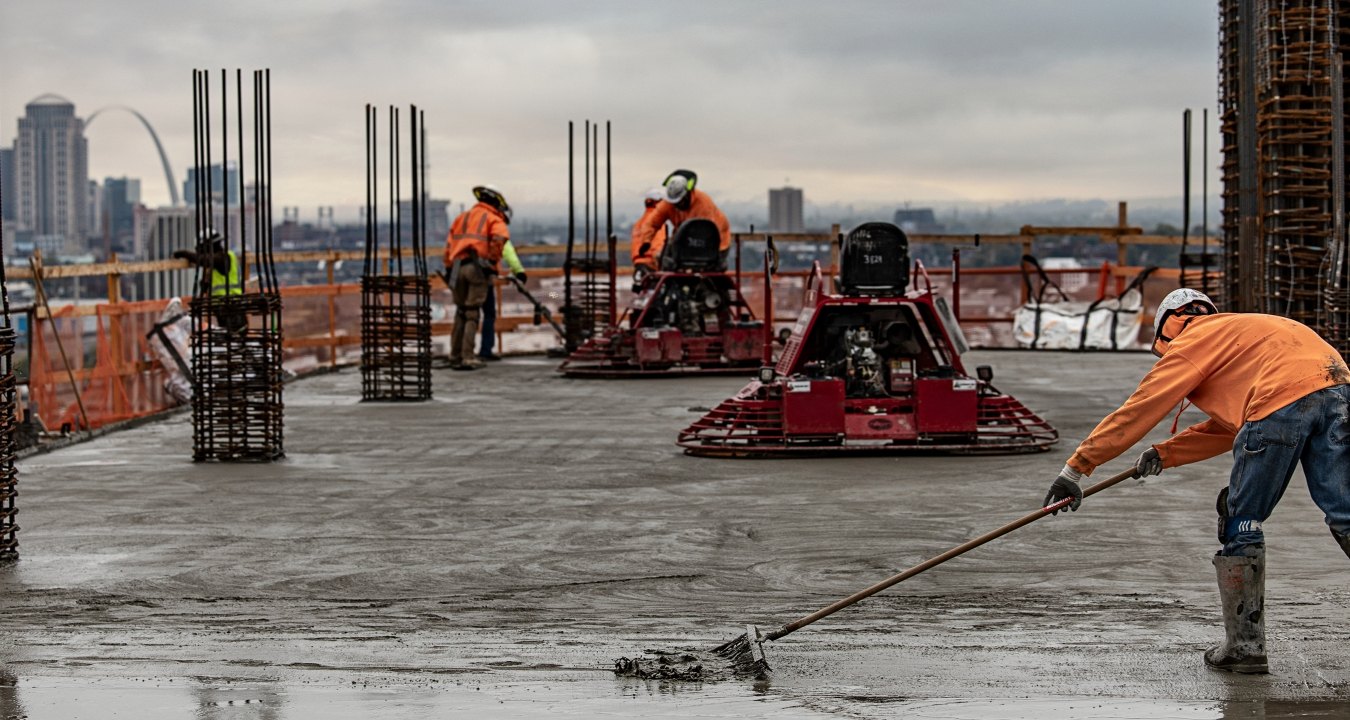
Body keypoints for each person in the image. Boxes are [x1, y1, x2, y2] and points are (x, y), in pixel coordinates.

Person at [1043, 288, 1350, 675]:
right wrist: (1167, 452)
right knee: (1345, 513)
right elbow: (1235, 424)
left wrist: (1076, 468)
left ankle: (1245, 648)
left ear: (1166, 329)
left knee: (1242, 520)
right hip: (1338, 391)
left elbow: (1141, 408)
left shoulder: (1192, 339)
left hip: (1279, 403)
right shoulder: (1240, 331)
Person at [444, 185, 525, 370]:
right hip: (477, 268)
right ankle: (468, 357)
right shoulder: (493, 218)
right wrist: (492, 263)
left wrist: (449, 268)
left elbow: (449, 246)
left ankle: (455, 355)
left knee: (461, 312)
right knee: (472, 313)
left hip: (456, 268)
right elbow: (500, 241)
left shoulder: (462, 218)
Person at [631, 170, 731, 269]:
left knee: (704, 268)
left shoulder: (703, 205)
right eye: (674, 202)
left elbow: (705, 234)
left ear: (687, 195)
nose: (676, 205)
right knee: (667, 260)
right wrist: (646, 241)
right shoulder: (669, 203)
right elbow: (652, 223)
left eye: (679, 202)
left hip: (714, 241)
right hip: (684, 238)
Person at [173, 231, 247, 333]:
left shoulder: (223, 258)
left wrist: (184, 253)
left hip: (232, 306)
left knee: (235, 335)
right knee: (230, 335)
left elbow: (204, 260)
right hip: (224, 306)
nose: (202, 253)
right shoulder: (218, 262)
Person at [478, 237, 527, 362]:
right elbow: (507, 251)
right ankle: (485, 351)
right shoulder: (496, 229)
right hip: (485, 273)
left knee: (466, 313)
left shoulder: (470, 229)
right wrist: (519, 271)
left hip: (464, 272)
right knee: (488, 313)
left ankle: (462, 353)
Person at [630, 187, 668, 289]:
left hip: (639, 265)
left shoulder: (638, 223)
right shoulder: (656, 224)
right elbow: (658, 247)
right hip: (651, 266)